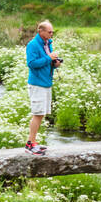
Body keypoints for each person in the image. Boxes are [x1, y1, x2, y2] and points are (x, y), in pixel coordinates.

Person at [25, 20, 58, 156]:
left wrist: (54, 63)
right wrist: (48, 58)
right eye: (49, 32)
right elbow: (31, 64)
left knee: (41, 113)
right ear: (41, 31)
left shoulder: (47, 44)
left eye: (52, 32)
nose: (51, 34)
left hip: (46, 83)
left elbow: (46, 61)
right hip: (37, 83)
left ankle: (33, 142)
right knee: (37, 113)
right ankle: (30, 144)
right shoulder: (32, 45)